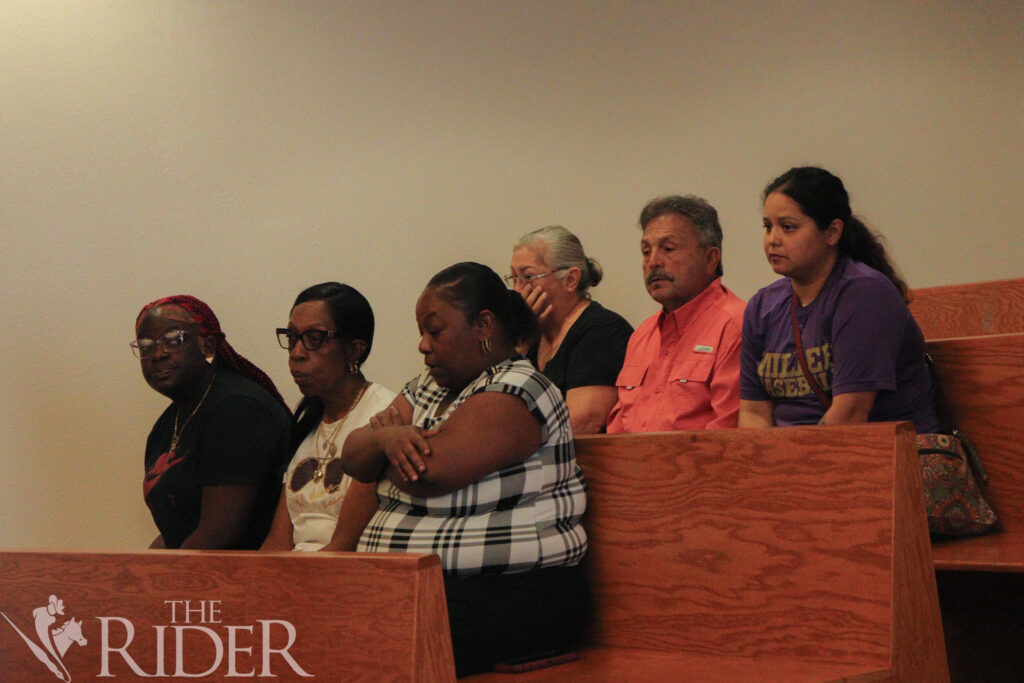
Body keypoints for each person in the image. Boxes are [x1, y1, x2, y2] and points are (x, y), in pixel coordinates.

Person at [342, 262, 588, 677]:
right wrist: (387, 439)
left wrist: (397, 441)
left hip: (515, 593)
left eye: (434, 330)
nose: (423, 345)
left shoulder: (522, 388)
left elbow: (431, 472)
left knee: (364, 637)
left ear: (484, 325)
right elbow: (353, 457)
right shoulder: (426, 385)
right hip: (424, 588)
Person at [738, 166, 939, 432]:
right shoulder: (762, 306)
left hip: (881, 456)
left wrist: (790, 466)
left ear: (832, 232)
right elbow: (753, 411)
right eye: (767, 227)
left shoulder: (864, 294)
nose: (772, 240)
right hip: (792, 459)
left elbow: (851, 413)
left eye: (788, 227)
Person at [133, 295, 291, 550]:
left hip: (244, 578)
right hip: (193, 570)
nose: (158, 354)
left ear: (207, 346)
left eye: (174, 340)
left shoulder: (238, 408)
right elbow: (177, 531)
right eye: (146, 346)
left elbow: (220, 534)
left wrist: (165, 580)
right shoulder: (167, 424)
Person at [260, 283, 396, 552]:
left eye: (314, 338)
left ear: (355, 350)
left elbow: (345, 546)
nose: (296, 352)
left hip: (346, 579)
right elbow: (277, 543)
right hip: (295, 576)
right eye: (292, 337)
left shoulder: (383, 416)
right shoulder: (307, 425)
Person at [606, 195, 746, 433]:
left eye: (668, 249)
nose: (653, 262)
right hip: (630, 466)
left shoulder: (736, 324)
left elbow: (727, 436)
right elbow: (617, 432)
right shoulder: (642, 336)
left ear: (710, 258)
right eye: (646, 251)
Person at [508, 225, 633, 433]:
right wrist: (520, 344)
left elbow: (578, 425)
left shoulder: (603, 332)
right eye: (514, 278)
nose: (518, 290)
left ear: (571, 279)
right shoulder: (532, 334)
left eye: (528, 277)